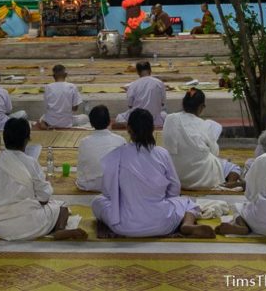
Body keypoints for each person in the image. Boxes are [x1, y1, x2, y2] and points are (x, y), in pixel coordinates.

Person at [92, 109, 215, 238]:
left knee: (97, 201)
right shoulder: (162, 154)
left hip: (124, 226)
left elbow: (107, 192)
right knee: (188, 203)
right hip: (163, 223)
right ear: (152, 129)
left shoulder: (116, 155)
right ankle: (187, 224)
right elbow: (174, 189)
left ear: (128, 129)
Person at [0, 118, 87, 240]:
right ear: (27, 140)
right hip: (29, 226)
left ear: (4, 138)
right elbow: (44, 198)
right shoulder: (30, 162)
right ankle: (60, 229)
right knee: (62, 207)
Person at [162, 88, 242, 190]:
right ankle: (230, 184)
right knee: (233, 167)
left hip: (175, 175)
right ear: (201, 107)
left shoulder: (169, 119)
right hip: (201, 178)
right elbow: (214, 152)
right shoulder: (203, 125)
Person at [76, 105, 126, 192]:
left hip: (90, 185)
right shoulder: (121, 140)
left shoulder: (84, 142)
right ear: (109, 121)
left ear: (91, 123)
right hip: (114, 184)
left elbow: (81, 167)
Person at [115, 61, 167, 127]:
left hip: (137, 118)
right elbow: (163, 103)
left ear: (138, 72)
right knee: (164, 115)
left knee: (120, 117)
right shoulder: (159, 83)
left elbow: (130, 105)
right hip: (154, 119)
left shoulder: (133, 85)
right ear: (150, 70)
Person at [39, 64, 90, 129]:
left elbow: (47, 106)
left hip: (51, 122)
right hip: (67, 122)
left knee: (43, 117)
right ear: (65, 75)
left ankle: (46, 124)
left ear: (53, 76)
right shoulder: (72, 87)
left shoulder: (48, 87)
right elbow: (75, 108)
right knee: (85, 117)